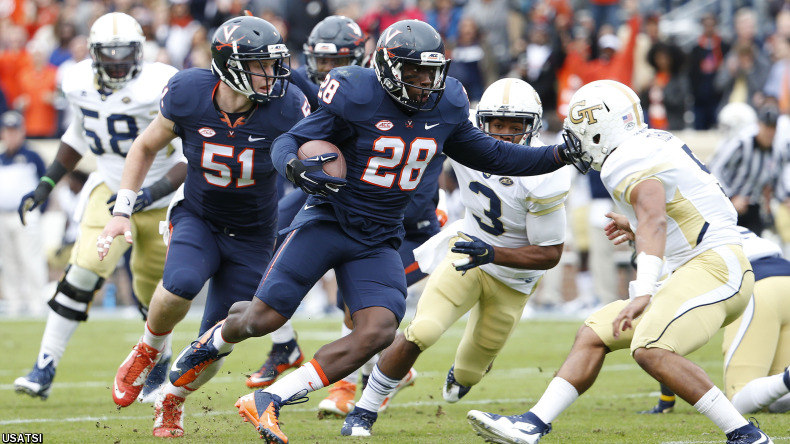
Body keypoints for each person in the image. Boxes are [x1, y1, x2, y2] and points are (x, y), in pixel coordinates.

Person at [168, 19, 571, 444]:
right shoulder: (356, 93)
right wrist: (295, 167)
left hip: (379, 236)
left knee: (379, 329)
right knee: (263, 318)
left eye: (431, 71)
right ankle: (215, 340)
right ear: (389, 67)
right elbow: (290, 139)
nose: (425, 81)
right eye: (414, 71)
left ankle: (272, 398)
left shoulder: (447, 103)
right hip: (329, 220)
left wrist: (563, 153)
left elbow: (500, 156)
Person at [466, 79, 773, 444]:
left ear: (599, 129)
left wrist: (643, 288)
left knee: (650, 348)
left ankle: (746, 435)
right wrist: (636, 226)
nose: (574, 142)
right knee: (595, 331)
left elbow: (655, 218)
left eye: (579, 131)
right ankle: (533, 424)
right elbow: (674, 209)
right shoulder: (652, 142)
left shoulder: (626, 159)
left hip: (715, 267)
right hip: (701, 265)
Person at [98, 15, 309, 437]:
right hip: (199, 215)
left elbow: (321, 146)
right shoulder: (188, 92)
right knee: (180, 284)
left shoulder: (288, 106)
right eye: (261, 65)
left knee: (217, 339)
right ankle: (147, 350)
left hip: (253, 233)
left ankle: (171, 402)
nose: (272, 75)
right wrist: (122, 210)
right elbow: (145, 146)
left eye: (273, 64)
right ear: (230, 65)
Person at [341, 77, 571, 436]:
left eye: (515, 127)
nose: (505, 135)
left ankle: (463, 374)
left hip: (513, 280)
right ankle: (364, 411)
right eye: (497, 125)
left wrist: (493, 253)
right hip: (467, 252)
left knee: (468, 372)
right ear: (482, 123)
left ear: (533, 127)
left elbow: (550, 254)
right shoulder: (465, 143)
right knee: (422, 331)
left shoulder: (543, 176)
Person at [248, 14, 431, 417]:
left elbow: (420, 175)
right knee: (267, 239)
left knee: (365, 312)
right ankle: (287, 346)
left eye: (340, 62)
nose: (331, 72)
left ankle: (355, 386)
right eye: (323, 62)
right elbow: (295, 92)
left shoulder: (381, 94)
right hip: (335, 192)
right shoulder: (321, 87)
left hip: (395, 213)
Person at [13, 12, 185, 402]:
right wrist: (48, 181)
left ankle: (159, 364)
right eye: (109, 54)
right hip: (109, 186)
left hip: (161, 198)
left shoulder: (163, 82)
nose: (118, 62)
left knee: (152, 292)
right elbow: (78, 133)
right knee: (83, 269)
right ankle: (44, 365)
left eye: (125, 54)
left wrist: (151, 191)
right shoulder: (75, 80)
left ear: (140, 52)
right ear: (93, 54)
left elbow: (190, 155)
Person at [641, 227, 790, 415]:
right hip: (785, 276)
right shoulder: (721, 220)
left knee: (738, 399)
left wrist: (666, 399)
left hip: (757, 285)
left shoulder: (676, 235)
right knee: (775, 398)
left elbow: (659, 332)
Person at [0, 111, 47, 317]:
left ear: (22, 132)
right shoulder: (2, 158)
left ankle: (37, 302)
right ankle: (14, 303)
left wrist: (39, 211)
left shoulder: (32, 156)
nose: (11, 136)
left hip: (27, 216)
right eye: (7, 132)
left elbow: (45, 185)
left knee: (31, 258)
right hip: (3, 215)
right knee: (8, 261)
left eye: (14, 131)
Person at [708, 103, 780, 235]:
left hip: (753, 207)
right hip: (729, 205)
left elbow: (769, 178)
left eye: (773, 128)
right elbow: (714, 168)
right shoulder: (742, 143)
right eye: (767, 127)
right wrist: (730, 196)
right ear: (758, 125)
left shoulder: (773, 149)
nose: (770, 132)